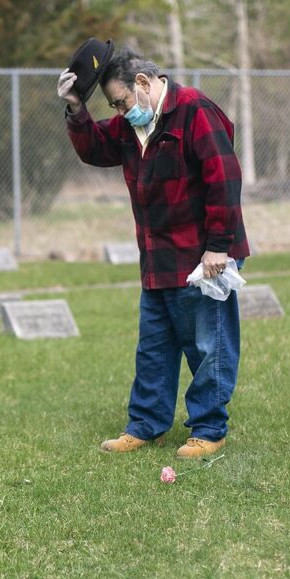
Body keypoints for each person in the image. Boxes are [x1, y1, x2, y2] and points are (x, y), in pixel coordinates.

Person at [57, 46, 250, 458]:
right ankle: (146, 425)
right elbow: (94, 149)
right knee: (154, 347)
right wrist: (76, 109)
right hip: (157, 256)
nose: (120, 112)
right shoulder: (133, 124)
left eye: (121, 102)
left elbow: (224, 177)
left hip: (204, 258)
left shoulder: (195, 110)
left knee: (208, 344)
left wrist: (218, 246)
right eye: (113, 105)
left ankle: (209, 429)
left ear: (143, 84)